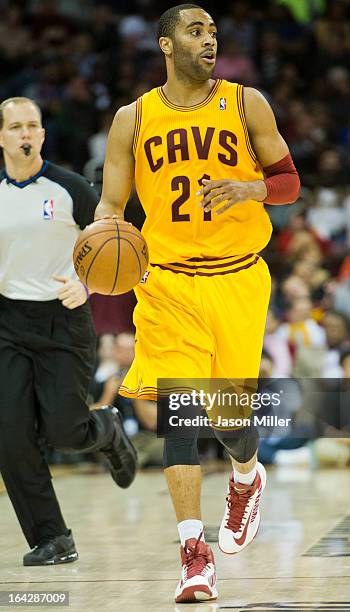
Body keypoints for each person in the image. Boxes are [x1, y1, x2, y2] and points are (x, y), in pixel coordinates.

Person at [95, 4, 300, 604]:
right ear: (165, 44)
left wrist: (250, 187)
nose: (209, 40)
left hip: (237, 278)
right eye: (194, 31)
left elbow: (290, 182)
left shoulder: (245, 103)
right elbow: (112, 206)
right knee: (179, 407)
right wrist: (97, 249)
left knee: (228, 419)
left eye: (213, 32)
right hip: (168, 281)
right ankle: (193, 551)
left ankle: (246, 473)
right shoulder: (133, 119)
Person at [0, 97, 137, 566]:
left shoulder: (69, 187)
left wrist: (87, 284)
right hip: (7, 323)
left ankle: (105, 427)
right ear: (1, 136)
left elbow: (119, 238)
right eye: (15, 126)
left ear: (41, 135)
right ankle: (53, 537)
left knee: (63, 428)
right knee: (11, 436)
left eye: (32, 126)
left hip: (63, 316)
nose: (24, 134)